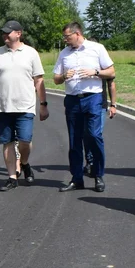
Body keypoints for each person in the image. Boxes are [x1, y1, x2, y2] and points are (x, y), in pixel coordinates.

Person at [0, 20, 48, 192]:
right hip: (3, 106)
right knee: (7, 142)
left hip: (25, 106)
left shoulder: (31, 53)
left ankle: (24, 163)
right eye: (3, 32)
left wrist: (43, 104)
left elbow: (38, 80)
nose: (5, 35)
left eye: (8, 32)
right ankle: (11, 177)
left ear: (18, 33)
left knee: (25, 140)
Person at [52, 21, 115, 193]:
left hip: (93, 98)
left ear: (77, 33)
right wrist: (64, 76)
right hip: (72, 100)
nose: (65, 40)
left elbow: (111, 72)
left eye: (67, 36)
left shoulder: (97, 48)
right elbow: (56, 79)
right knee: (74, 141)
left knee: (94, 136)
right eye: (64, 37)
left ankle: (98, 175)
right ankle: (77, 178)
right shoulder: (64, 54)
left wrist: (95, 72)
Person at [85, 76, 117, 178]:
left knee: (95, 135)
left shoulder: (102, 62)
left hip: (100, 105)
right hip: (83, 104)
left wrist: (113, 105)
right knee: (86, 135)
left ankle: (95, 164)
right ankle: (90, 161)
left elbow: (111, 83)